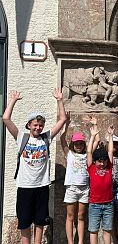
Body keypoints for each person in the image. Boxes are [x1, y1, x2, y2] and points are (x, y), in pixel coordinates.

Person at [2, 89, 66, 244]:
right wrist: (13, 101)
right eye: (35, 125)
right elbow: (5, 118)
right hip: (24, 186)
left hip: (42, 186)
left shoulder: (46, 138)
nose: (38, 128)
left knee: (40, 221)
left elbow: (62, 119)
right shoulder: (21, 138)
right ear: (29, 125)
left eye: (41, 125)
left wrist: (59, 100)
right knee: (24, 221)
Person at [60, 112, 91, 244]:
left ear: (84, 144)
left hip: (84, 188)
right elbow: (62, 139)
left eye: (81, 144)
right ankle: (70, 241)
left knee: (81, 216)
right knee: (70, 216)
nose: (78, 146)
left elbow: (92, 146)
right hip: (72, 187)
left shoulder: (87, 155)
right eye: (76, 143)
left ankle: (80, 241)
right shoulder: (70, 154)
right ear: (73, 144)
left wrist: (93, 127)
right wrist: (65, 125)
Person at [87, 124, 114, 244]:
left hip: (108, 204)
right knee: (93, 230)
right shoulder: (91, 167)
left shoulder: (109, 167)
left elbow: (110, 151)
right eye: (99, 162)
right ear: (95, 161)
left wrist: (110, 135)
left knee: (107, 229)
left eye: (104, 161)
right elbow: (88, 151)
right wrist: (92, 136)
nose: (102, 164)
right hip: (94, 204)